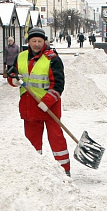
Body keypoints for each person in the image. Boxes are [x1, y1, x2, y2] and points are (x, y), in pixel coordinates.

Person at [7, 27, 70, 176]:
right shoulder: (21, 57)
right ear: (28, 41)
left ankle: (64, 171)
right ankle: (34, 172)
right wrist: (13, 81)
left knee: (57, 141)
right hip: (29, 107)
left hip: (49, 108)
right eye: (33, 41)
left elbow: (58, 84)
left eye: (39, 41)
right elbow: (12, 74)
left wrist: (47, 101)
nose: (36, 44)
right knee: (31, 142)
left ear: (44, 42)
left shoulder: (52, 58)